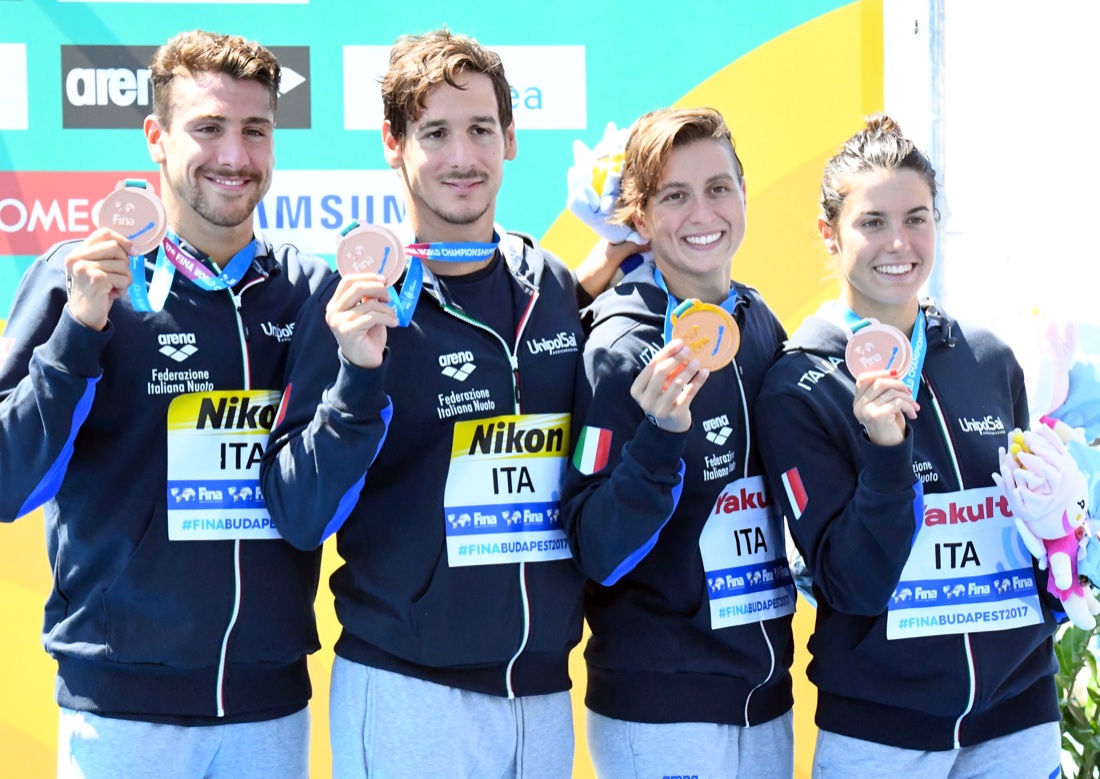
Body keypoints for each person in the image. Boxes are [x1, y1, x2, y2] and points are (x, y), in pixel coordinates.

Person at [260, 29, 600, 778]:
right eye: (435, 133)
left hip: (542, 696)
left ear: (511, 138)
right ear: (393, 143)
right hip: (411, 689)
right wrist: (356, 374)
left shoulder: (551, 286)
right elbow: (299, 510)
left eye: (480, 129)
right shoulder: (356, 300)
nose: (461, 157)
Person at [0, 30, 330, 779]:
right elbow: (6, 478)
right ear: (155, 136)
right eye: (207, 128)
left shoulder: (308, 292)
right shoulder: (78, 278)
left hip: (267, 708)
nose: (235, 156)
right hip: (120, 710)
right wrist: (79, 333)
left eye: (255, 130)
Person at [754, 114, 1062, 778]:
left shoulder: (988, 356)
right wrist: (886, 454)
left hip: (1018, 717)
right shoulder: (799, 384)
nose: (899, 242)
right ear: (829, 233)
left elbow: (1033, 532)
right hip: (883, 733)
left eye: (917, 218)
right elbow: (852, 582)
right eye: (873, 222)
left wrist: (1069, 537)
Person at [560, 107, 796, 779]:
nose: (703, 212)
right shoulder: (618, 346)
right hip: (662, 708)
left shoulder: (758, 321)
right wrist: (659, 442)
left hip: (764, 699)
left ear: (744, 195)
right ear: (638, 216)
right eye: (675, 195)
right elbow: (596, 550)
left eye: (719, 187)